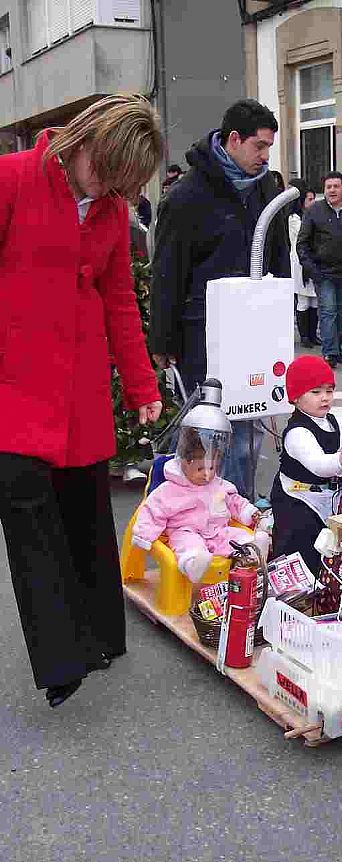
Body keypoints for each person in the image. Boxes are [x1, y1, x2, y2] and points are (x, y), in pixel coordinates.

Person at [0, 94, 164, 708]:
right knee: (26, 512)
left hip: (81, 383)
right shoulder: (12, 179)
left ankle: (96, 638)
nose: (112, 192)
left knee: (86, 512)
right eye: (108, 175)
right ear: (84, 142)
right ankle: (59, 659)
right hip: (13, 382)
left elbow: (119, 297)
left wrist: (142, 385)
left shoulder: (114, 211)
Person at [150, 99, 290, 499]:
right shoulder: (187, 196)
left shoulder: (266, 187)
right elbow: (168, 273)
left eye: (268, 148)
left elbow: (278, 252)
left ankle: (239, 508)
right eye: (259, 146)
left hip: (255, 331)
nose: (265, 157)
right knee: (211, 428)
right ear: (233, 140)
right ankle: (203, 511)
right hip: (204, 336)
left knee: (250, 425)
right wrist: (163, 341)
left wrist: (280, 312)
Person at [132, 416, 269, 589]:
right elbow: (152, 512)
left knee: (237, 537)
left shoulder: (218, 484)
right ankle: (193, 563)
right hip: (185, 531)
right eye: (200, 469)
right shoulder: (170, 489)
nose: (207, 475)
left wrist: (250, 512)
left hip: (218, 531)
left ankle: (253, 551)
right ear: (184, 463)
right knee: (188, 545)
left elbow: (235, 502)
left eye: (211, 468)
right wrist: (143, 536)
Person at [270, 355, 342, 575]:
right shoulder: (297, 432)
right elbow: (318, 464)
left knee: (328, 543)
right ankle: (294, 589)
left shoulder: (331, 420)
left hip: (323, 492)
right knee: (299, 548)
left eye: (329, 390)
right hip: (295, 497)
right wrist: (340, 460)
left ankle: (325, 583)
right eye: (316, 392)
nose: (325, 398)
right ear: (296, 397)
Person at [296, 171, 342, 368]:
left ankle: (336, 347)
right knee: (328, 311)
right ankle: (329, 352)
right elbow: (302, 244)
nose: (332, 190)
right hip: (323, 273)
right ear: (324, 189)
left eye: (336, 186)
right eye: (328, 187)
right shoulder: (314, 211)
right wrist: (312, 270)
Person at [289, 179, 319, 348]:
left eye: (314, 199)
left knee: (315, 301)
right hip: (300, 263)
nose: (313, 202)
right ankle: (305, 336)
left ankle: (313, 334)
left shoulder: (315, 217)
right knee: (303, 301)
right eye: (309, 199)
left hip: (314, 262)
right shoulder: (294, 219)